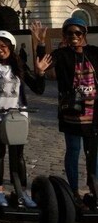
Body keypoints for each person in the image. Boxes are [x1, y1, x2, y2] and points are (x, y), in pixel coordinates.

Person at [0, 30, 51, 207]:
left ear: (10, 47)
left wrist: (41, 73)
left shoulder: (19, 65)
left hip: (17, 116)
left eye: (3, 46)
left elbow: (38, 89)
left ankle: (21, 191)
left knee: (18, 155)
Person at [33, 17, 98, 205]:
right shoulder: (61, 54)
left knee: (93, 152)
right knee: (73, 150)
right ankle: (74, 191)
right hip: (72, 113)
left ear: (84, 34)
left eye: (78, 33)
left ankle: (94, 186)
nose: (74, 36)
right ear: (64, 35)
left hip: (94, 114)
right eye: (69, 33)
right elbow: (43, 64)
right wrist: (40, 43)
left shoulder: (93, 53)